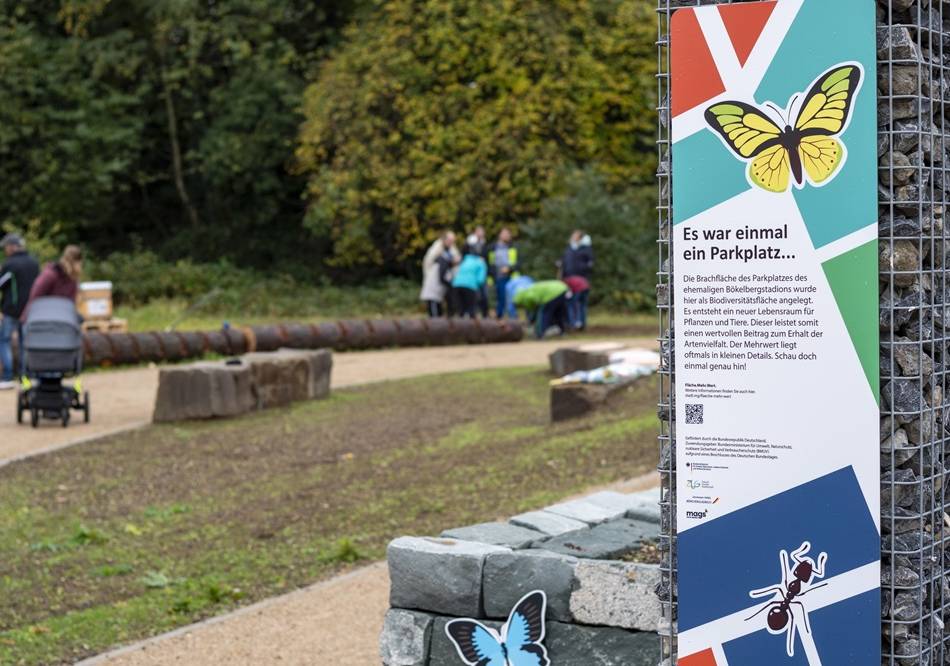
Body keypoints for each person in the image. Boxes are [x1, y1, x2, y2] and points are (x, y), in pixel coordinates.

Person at [0, 234, 39, 389]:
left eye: (6, 247)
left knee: (4, 340)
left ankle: (8, 376)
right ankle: (26, 377)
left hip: (12, 310)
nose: (5, 250)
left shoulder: (10, 264)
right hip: (31, 310)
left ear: (12, 246)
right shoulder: (34, 263)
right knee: (25, 343)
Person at [25, 245, 83, 316]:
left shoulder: (72, 279)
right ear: (77, 263)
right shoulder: (50, 275)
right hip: (43, 318)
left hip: (62, 319)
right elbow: (34, 297)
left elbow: (71, 304)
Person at [420, 232, 459, 317]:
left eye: (452, 241)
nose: (451, 242)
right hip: (435, 282)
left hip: (444, 283)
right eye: (449, 240)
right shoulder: (436, 249)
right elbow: (428, 263)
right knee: (434, 310)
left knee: (444, 308)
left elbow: (454, 264)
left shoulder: (452, 250)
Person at [487, 227, 519, 318]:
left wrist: (510, 269)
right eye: (505, 233)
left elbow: (518, 262)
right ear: (500, 235)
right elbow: (489, 263)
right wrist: (490, 277)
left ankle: (513, 318)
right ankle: (499, 317)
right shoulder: (492, 247)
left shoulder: (513, 247)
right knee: (500, 298)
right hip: (497, 277)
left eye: (508, 234)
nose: (507, 235)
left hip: (511, 277)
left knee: (512, 298)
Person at [451, 244, 488, 318]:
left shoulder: (464, 260)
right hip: (470, 286)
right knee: (471, 308)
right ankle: (471, 327)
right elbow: (480, 279)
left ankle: (460, 325)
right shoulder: (480, 262)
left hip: (456, 284)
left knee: (460, 309)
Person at [466, 226, 489, 317]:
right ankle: (472, 314)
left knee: (484, 295)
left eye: (482, 232)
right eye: (478, 232)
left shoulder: (485, 244)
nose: (480, 233)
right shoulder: (470, 243)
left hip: (482, 272)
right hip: (472, 273)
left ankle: (484, 314)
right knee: (474, 294)